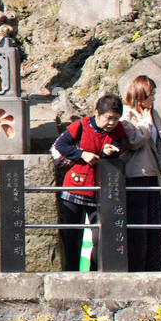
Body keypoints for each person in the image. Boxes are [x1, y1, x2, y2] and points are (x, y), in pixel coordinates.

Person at [51, 93, 126, 271]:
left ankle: (94, 270)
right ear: (97, 113)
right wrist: (82, 154)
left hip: (101, 188)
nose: (111, 123)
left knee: (100, 235)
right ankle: (72, 270)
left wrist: (111, 152)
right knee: (71, 233)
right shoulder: (81, 125)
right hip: (76, 185)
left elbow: (118, 149)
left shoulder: (118, 130)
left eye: (115, 119)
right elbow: (61, 145)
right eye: (108, 118)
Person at [121, 75, 161, 272]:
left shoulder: (153, 114)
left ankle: (155, 264)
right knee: (139, 223)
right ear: (140, 95)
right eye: (150, 94)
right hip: (135, 174)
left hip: (153, 172)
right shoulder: (126, 115)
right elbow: (133, 141)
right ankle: (138, 266)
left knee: (155, 223)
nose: (153, 98)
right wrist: (146, 125)